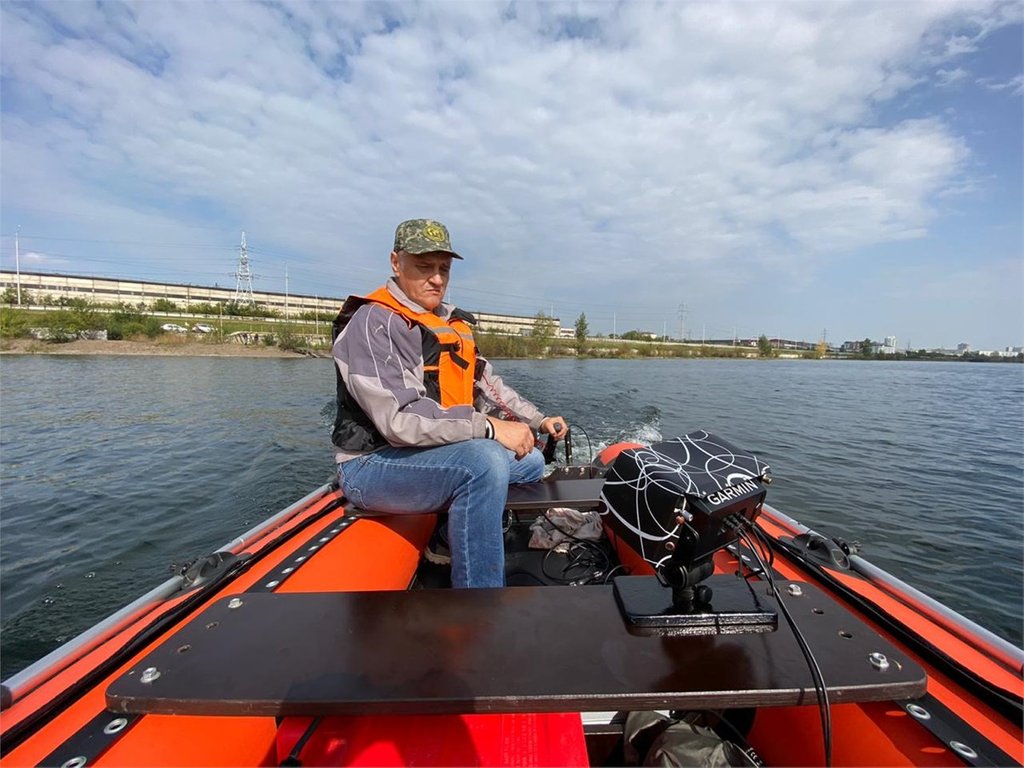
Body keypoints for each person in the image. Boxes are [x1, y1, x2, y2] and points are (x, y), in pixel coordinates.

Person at [331, 219, 567, 588]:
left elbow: (492, 386)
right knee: (485, 461)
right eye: (424, 267)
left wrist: (538, 421)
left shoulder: (451, 324)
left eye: (444, 269)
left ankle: (445, 535)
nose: (436, 279)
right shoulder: (374, 322)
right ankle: (480, 597)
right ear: (396, 262)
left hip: (435, 449)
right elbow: (400, 419)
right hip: (373, 463)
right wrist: (488, 428)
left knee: (533, 459)